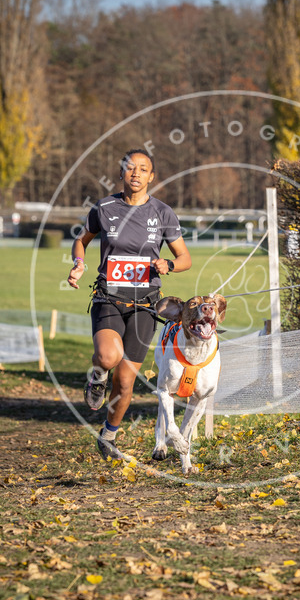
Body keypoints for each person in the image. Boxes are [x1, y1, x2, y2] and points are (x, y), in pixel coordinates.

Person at [67, 148, 191, 460]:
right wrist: (79, 263)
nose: (135, 173)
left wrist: (169, 266)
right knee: (109, 357)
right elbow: (81, 240)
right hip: (109, 298)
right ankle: (97, 376)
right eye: (130, 168)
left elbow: (184, 258)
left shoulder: (163, 213)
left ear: (152, 177)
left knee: (125, 384)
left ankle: (108, 435)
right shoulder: (105, 207)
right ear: (121, 172)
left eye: (143, 169)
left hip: (145, 307)